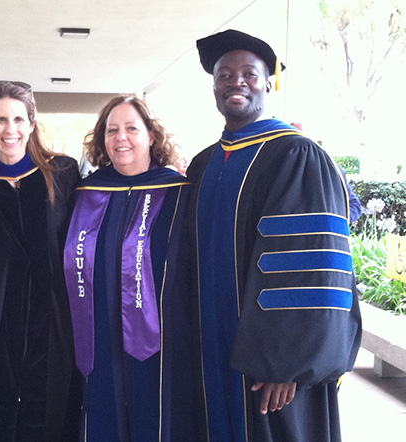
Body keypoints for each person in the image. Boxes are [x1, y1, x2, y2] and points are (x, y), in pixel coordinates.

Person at [187, 29, 362, 441]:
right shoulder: (204, 164)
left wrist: (288, 364)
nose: (236, 82)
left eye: (249, 73)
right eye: (224, 75)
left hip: (270, 364)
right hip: (210, 350)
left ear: (269, 83)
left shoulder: (296, 155)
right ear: (214, 86)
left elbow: (311, 267)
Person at [62, 96, 197, 441]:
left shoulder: (179, 195)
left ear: (151, 135)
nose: (121, 137)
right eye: (112, 130)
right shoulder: (86, 193)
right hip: (98, 332)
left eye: (131, 128)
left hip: (161, 340)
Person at [0, 80, 81, 442]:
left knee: (52, 404)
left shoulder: (62, 173)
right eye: (0, 120)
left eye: (17, 119)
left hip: (55, 312)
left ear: (31, 123)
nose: (9, 130)